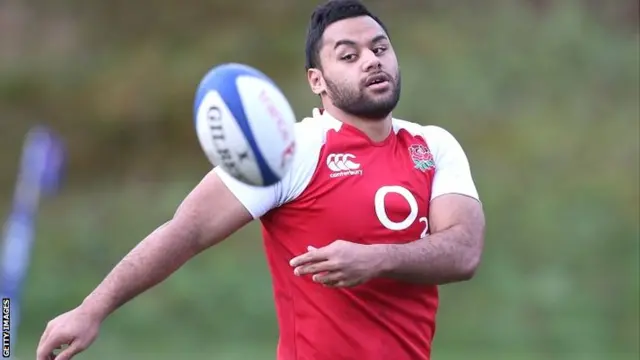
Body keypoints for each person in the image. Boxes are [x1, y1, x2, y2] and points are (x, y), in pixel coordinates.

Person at [36, 1, 485, 359]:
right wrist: (92, 309)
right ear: (318, 81)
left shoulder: (432, 145)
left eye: (380, 48)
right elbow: (186, 231)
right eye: (348, 55)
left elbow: (464, 252)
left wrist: (375, 259)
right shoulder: (287, 150)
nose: (371, 60)